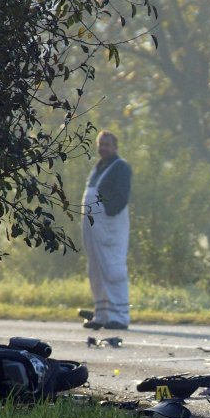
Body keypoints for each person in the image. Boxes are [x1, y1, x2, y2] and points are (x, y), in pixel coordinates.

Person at [81, 130, 132, 330]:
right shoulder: (98, 167)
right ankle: (102, 314)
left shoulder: (120, 167)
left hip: (110, 227)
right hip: (94, 226)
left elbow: (121, 196)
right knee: (95, 267)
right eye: (101, 144)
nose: (103, 148)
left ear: (115, 147)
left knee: (113, 267)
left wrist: (108, 214)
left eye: (107, 145)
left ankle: (119, 316)